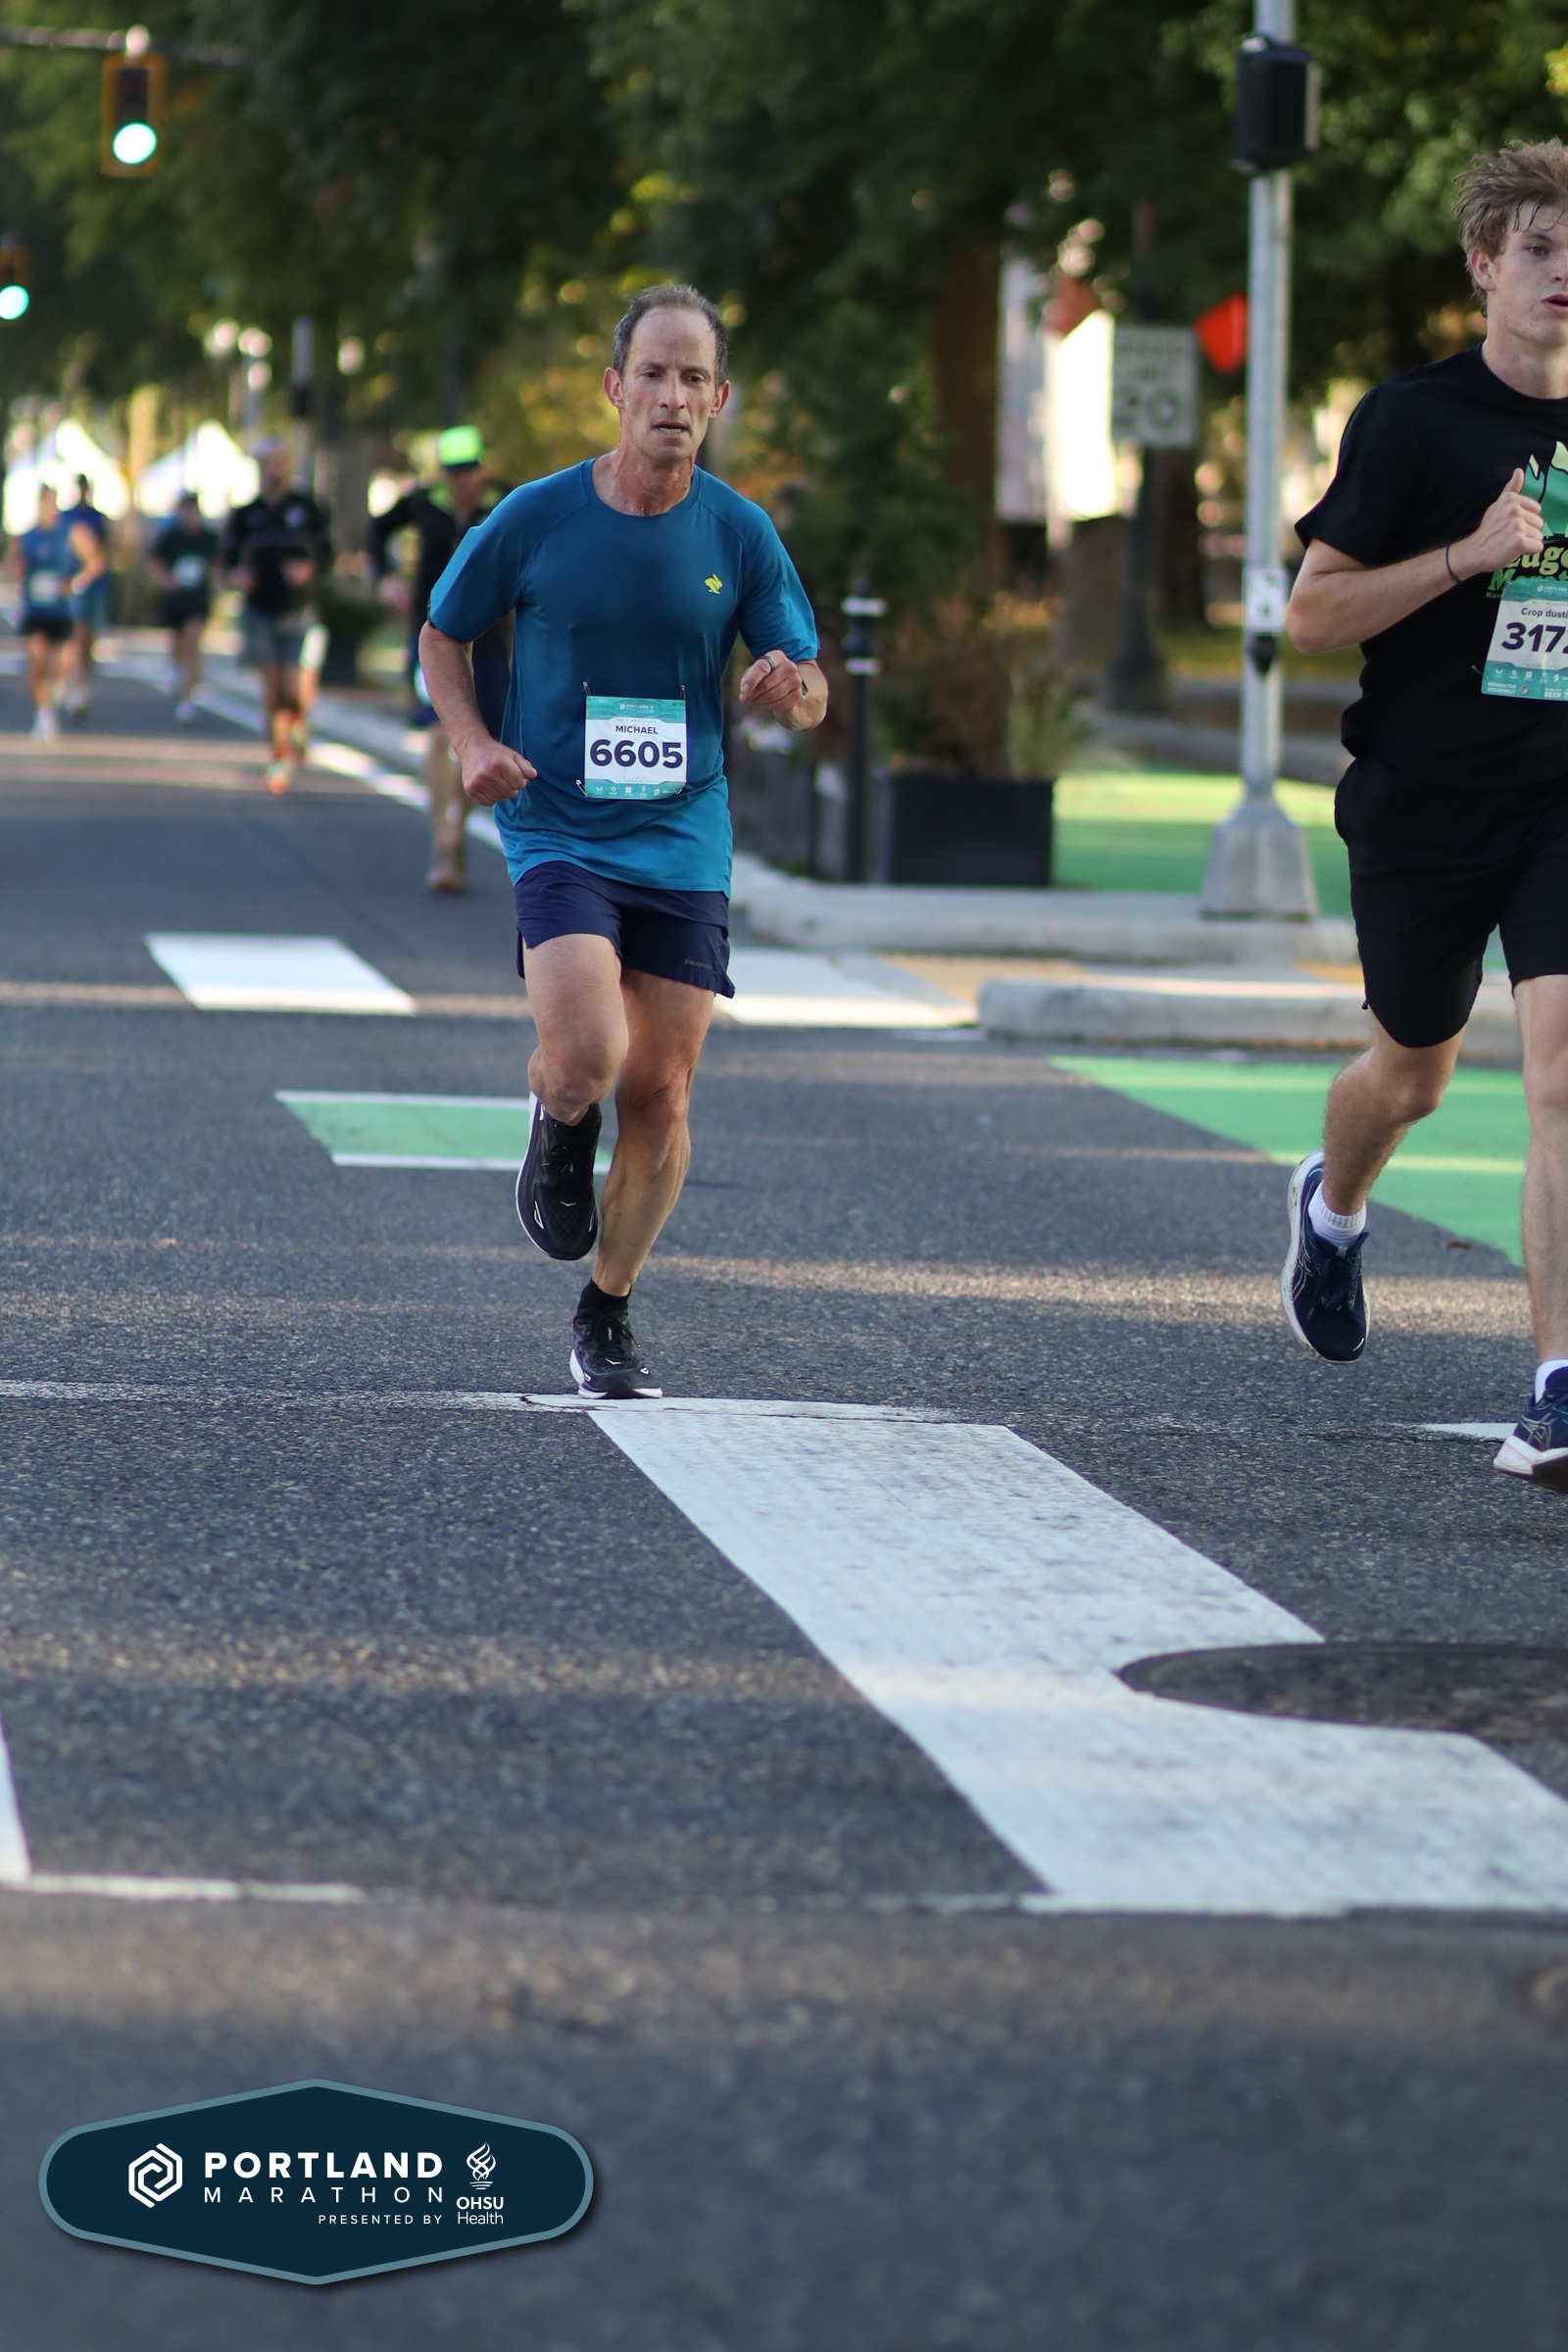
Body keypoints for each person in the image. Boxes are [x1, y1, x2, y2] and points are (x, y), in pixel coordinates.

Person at [420, 283, 827, 1397]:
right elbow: (443, 633)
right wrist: (471, 743)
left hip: (682, 833)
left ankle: (606, 1309)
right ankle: (557, 1116)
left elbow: (809, 685)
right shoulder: (538, 516)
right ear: (615, 387)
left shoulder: (739, 533)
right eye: (654, 374)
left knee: (662, 1092)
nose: (673, 397)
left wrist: (788, 688)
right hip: (557, 823)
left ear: (719, 399)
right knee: (589, 1056)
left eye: (695, 378)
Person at [1283, 137, 1568, 1487]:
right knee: (1414, 1075)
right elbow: (1312, 615)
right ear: (1483, 267)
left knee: (1561, 1076)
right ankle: (1332, 1205)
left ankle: (1557, 1387)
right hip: (1423, 801)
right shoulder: (1413, 421)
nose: (1562, 275)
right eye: (1539, 249)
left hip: (1558, 798)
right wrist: (1470, 555)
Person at [367, 424, 511, 892]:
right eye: (452, 472)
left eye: (468, 471)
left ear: (482, 468)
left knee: (479, 741)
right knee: (436, 734)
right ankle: (442, 841)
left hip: (490, 643)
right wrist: (385, 576)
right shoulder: (424, 502)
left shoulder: (507, 502)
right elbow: (377, 529)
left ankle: (458, 828)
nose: (460, 481)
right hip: (434, 639)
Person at [221, 436, 332, 794]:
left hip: (300, 611)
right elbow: (226, 562)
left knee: (296, 692)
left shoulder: (307, 508)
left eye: (279, 461)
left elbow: (328, 554)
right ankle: (278, 758)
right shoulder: (246, 514)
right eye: (267, 462)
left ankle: (298, 723)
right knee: (272, 692)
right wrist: (237, 577)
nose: (274, 469)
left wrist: (309, 570)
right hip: (260, 611)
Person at [7, 484, 104, 741]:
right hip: (35, 608)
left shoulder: (71, 532)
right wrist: (16, 573)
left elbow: (94, 561)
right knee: (35, 661)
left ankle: (56, 694)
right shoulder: (27, 536)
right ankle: (43, 715)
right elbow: (9, 565)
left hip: (62, 610)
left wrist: (76, 583)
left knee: (60, 664)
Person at [148, 490, 220, 721]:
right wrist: (166, 579)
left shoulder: (208, 538)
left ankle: (189, 696)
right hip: (176, 598)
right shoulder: (171, 536)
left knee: (193, 641)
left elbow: (217, 563)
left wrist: (218, 583)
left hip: (198, 598)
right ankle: (177, 670)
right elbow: (153, 558)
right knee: (178, 642)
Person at [62, 470, 110, 723]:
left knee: (89, 639)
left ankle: (82, 683)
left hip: (96, 586)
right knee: (76, 636)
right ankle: (75, 687)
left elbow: (106, 552)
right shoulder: (67, 516)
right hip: (75, 585)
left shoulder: (99, 518)